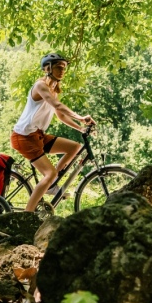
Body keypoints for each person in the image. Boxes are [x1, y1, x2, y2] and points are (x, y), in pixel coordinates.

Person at [10, 53, 95, 212]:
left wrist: (80, 128)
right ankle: (27, 215)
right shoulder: (40, 86)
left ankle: (51, 184)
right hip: (24, 137)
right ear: (47, 68)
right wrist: (81, 118)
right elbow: (58, 105)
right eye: (58, 67)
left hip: (38, 135)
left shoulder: (54, 89)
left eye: (64, 68)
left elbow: (60, 115)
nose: (62, 71)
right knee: (49, 174)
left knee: (74, 147)